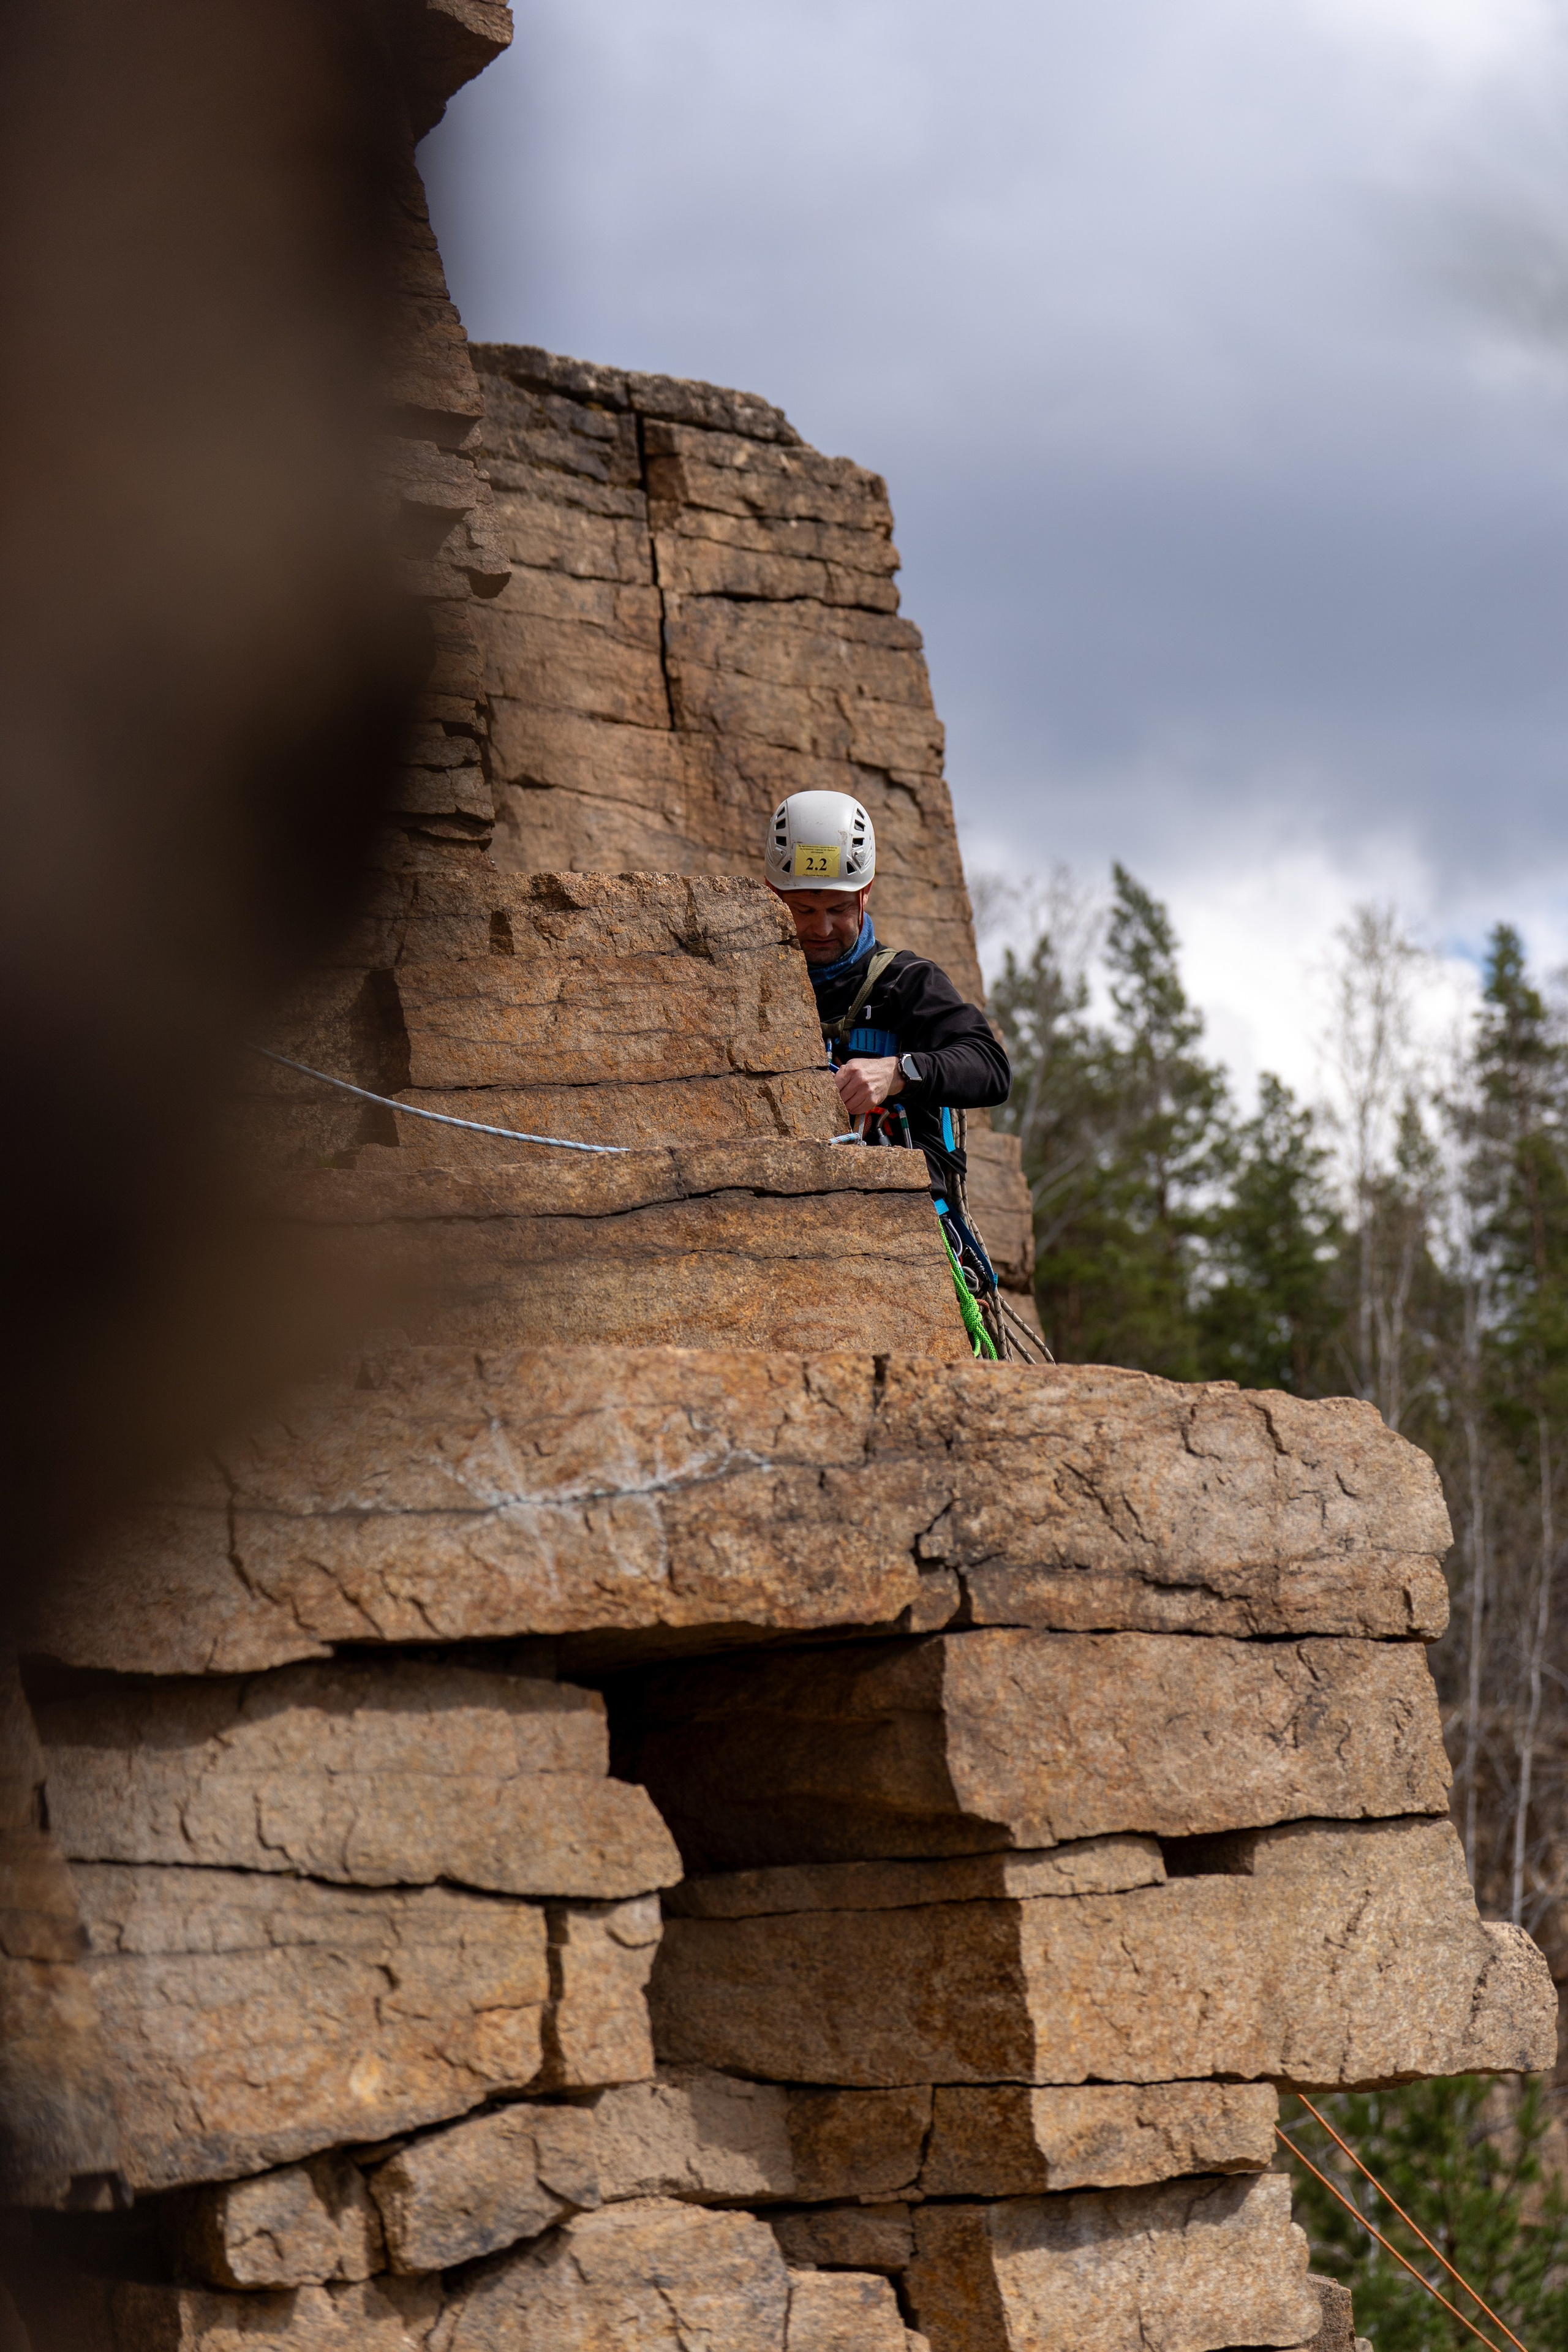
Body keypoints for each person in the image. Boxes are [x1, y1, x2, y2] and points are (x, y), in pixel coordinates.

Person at [764, 787, 1014, 1353]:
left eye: (838, 909)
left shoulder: (907, 984)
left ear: (866, 893)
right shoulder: (753, 983)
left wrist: (899, 1072)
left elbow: (990, 1067)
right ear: (773, 895)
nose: (821, 928)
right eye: (803, 910)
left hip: (913, 1222)